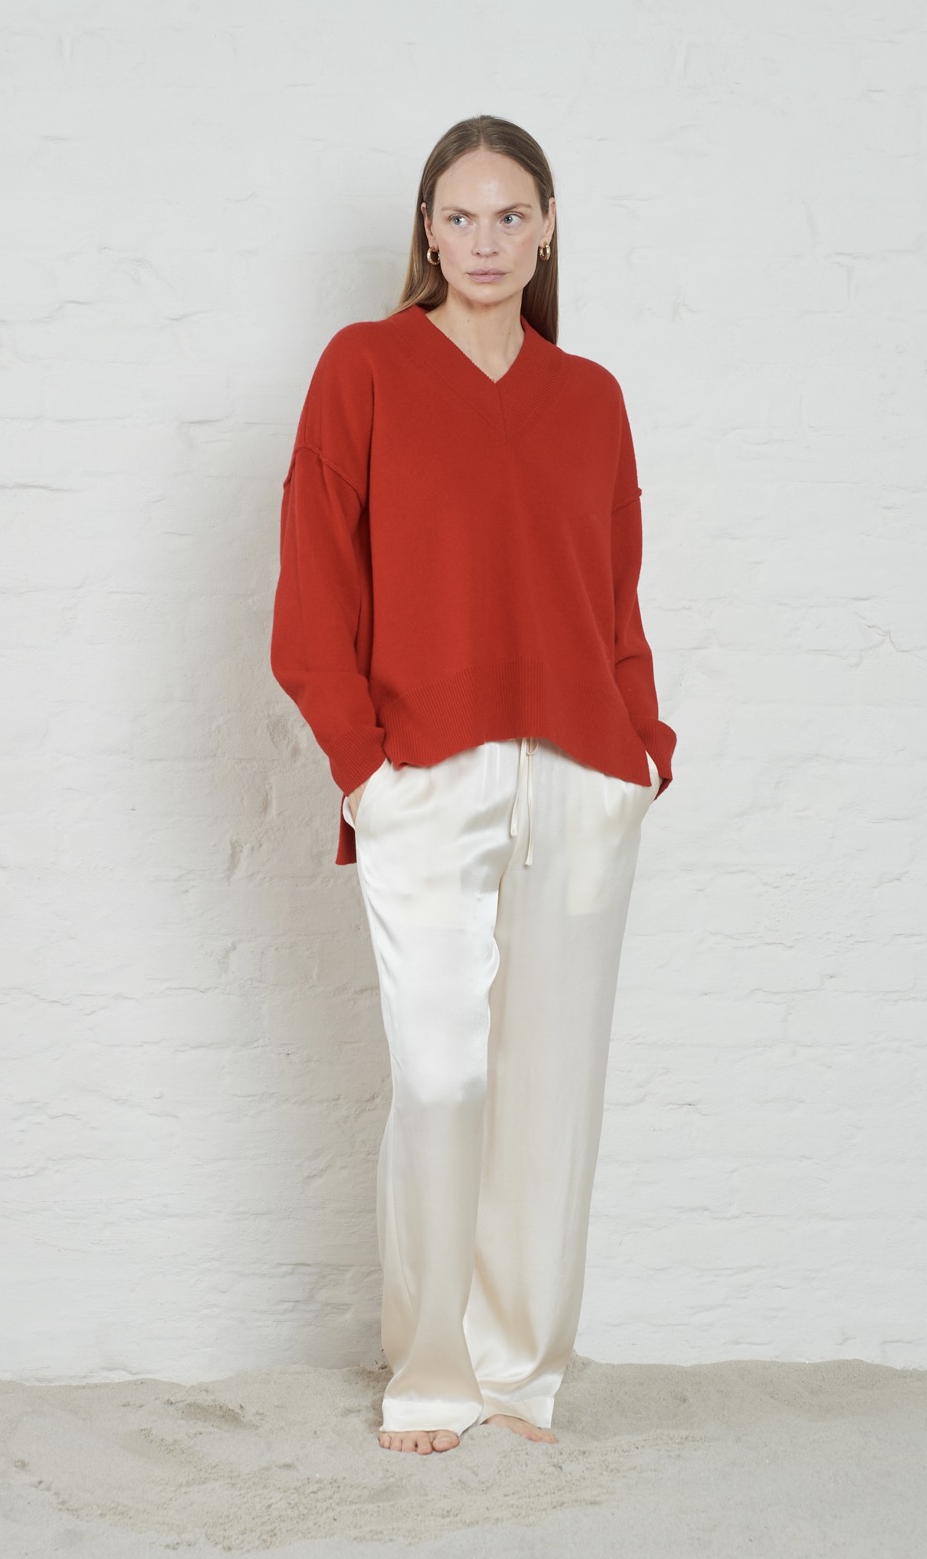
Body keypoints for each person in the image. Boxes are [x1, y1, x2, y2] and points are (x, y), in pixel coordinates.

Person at [270, 114, 676, 1455]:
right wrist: (365, 773)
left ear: (547, 229)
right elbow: (312, 601)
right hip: (423, 780)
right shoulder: (366, 368)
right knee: (442, 1079)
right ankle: (433, 1369)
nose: (486, 241)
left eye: (511, 216)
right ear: (427, 231)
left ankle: (519, 1372)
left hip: (582, 779)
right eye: (460, 216)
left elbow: (613, 600)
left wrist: (644, 751)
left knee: (549, 1093)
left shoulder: (590, 398)